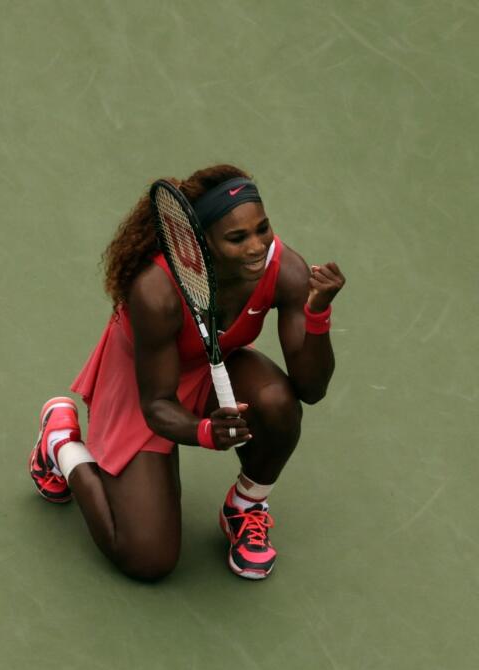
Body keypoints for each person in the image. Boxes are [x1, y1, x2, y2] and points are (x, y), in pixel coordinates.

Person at [28, 164, 345, 581]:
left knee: (278, 404)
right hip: (142, 386)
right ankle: (61, 444)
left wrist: (317, 312)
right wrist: (204, 433)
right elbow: (157, 404)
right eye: (237, 237)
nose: (256, 246)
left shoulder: (284, 269)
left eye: (262, 229)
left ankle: (246, 507)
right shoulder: (155, 292)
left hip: (213, 367)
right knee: (148, 559)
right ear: (201, 241)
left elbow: (311, 388)